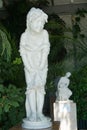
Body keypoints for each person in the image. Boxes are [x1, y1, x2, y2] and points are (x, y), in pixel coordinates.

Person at [19, 7, 50, 121]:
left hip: (42, 65)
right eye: (37, 22)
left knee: (40, 88)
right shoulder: (24, 36)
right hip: (30, 66)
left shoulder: (44, 34)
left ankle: (39, 112)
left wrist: (41, 65)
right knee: (32, 88)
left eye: (42, 23)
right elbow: (23, 52)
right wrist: (29, 66)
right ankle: (32, 113)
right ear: (30, 22)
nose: (40, 25)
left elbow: (45, 49)